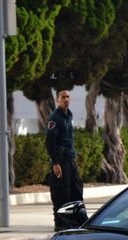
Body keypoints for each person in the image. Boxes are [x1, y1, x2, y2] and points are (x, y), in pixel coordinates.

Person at [45, 88, 85, 231]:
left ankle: (76, 220)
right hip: (61, 161)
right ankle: (61, 223)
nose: (66, 99)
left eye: (68, 96)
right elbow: (50, 143)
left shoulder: (69, 115)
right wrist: (56, 163)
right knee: (61, 192)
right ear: (57, 100)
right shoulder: (55, 118)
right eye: (63, 97)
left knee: (76, 190)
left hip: (70, 159)